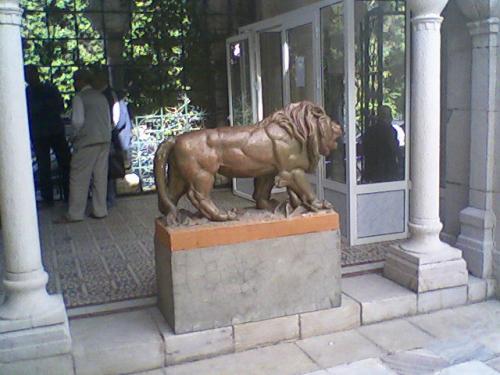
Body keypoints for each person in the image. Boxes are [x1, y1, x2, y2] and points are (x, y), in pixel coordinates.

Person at [55, 70, 111, 223]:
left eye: (75, 80)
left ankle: (75, 213)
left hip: (87, 141)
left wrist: (73, 137)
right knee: (100, 176)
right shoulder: (101, 96)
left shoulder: (79, 98)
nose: (73, 83)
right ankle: (100, 210)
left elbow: (77, 122)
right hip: (104, 140)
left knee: (79, 177)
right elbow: (108, 118)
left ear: (80, 81)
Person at [25, 65, 71, 205]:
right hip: (46, 132)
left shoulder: (43, 90)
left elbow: (58, 106)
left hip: (48, 132)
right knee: (48, 166)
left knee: (61, 164)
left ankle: (63, 195)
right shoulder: (33, 92)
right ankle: (55, 196)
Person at [362, 105, 401, 183]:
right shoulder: (389, 131)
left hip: (380, 172)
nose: (390, 118)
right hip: (384, 171)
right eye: (386, 116)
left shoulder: (371, 131)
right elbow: (393, 148)